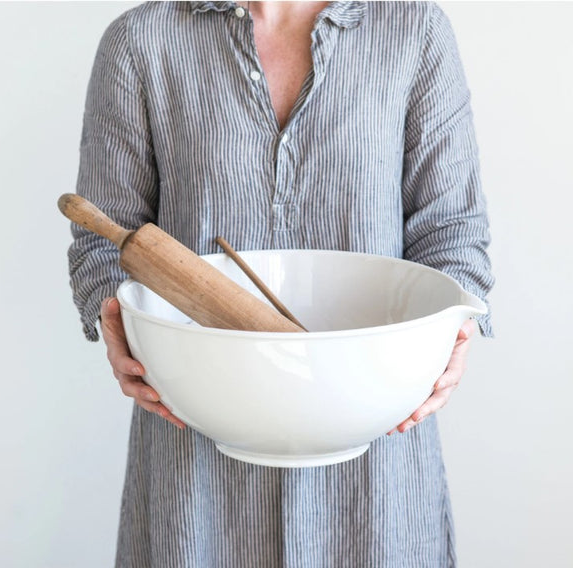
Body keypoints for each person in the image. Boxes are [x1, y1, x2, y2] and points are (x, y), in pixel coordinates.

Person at [66, 2, 494, 566]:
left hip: (378, 457)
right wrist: (113, 316)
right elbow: (103, 237)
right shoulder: (140, 40)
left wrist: (452, 328)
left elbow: (453, 230)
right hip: (195, 458)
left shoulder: (414, 30)